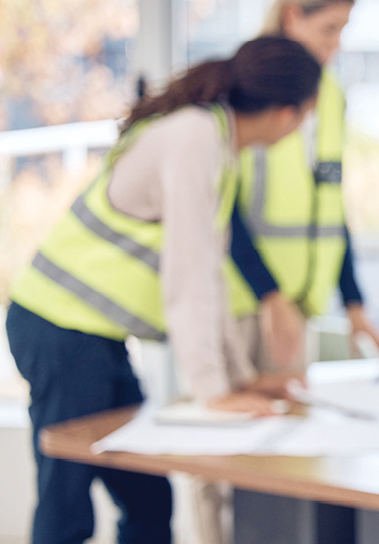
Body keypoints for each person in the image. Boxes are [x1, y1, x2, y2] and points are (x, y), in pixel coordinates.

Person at [6, 36, 323, 544]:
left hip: (93, 336)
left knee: (149, 501)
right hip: (58, 327)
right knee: (67, 503)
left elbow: (211, 276)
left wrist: (241, 380)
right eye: (309, 114)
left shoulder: (216, 141)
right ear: (288, 114)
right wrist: (213, 391)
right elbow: (189, 275)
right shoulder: (195, 139)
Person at [226, 0, 379, 375]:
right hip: (241, 303)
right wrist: (270, 295)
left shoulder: (331, 95)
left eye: (343, 30)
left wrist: (354, 305)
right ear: (292, 16)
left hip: (299, 308)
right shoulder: (244, 85)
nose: (336, 44)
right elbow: (221, 207)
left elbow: (331, 206)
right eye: (329, 28)